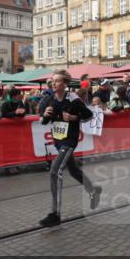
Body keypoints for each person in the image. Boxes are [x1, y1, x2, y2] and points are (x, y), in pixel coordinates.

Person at [38, 69, 102, 227]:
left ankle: (55, 214)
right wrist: (45, 115)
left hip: (69, 140)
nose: (54, 83)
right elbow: (43, 121)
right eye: (53, 81)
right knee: (73, 169)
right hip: (58, 140)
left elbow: (90, 115)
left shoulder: (73, 99)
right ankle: (93, 190)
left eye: (57, 81)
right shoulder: (49, 99)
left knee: (55, 170)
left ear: (65, 84)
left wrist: (74, 117)